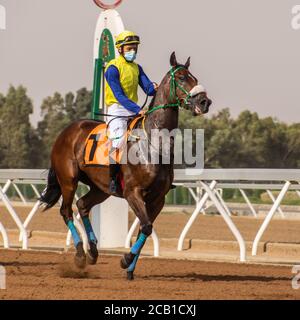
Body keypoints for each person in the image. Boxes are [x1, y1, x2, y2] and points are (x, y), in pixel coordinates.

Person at [104, 30, 157, 194]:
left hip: (134, 110)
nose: (133, 51)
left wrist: (156, 88)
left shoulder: (137, 68)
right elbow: (119, 95)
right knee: (118, 142)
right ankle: (112, 179)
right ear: (120, 49)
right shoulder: (112, 68)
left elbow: (148, 88)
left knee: (153, 137)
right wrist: (137, 109)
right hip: (117, 109)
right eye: (129, 48)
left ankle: (155, 177)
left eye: (134, 48)